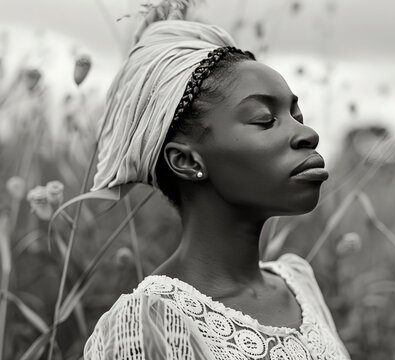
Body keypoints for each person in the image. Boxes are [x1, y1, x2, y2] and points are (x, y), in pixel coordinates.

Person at [83, 4, 350, 360]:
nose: (308, 134)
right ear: (187, 161)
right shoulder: (153, 324)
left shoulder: (299, 284)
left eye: (296, 115)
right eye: (265, 120)